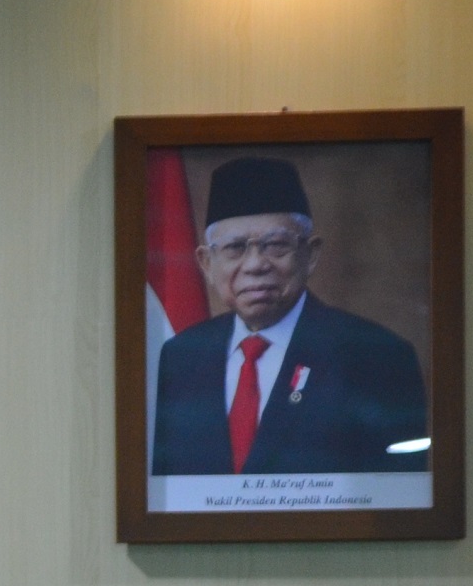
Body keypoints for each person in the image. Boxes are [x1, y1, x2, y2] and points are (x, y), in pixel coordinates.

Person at [150, 155, 429, 479]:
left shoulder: (377, 357)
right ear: (206, 263)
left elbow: (399, 494)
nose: (255, 265)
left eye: (275, 245)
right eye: (235, 248)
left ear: (310, 255)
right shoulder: (181, 356)